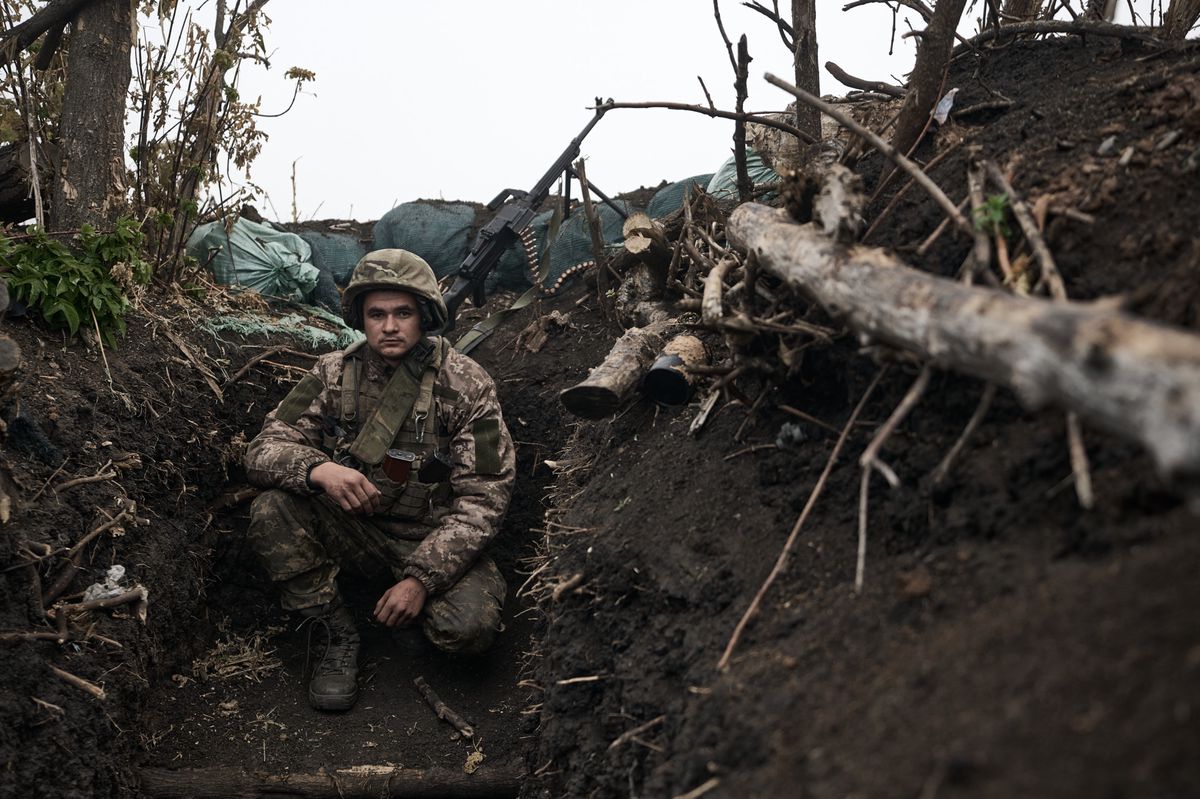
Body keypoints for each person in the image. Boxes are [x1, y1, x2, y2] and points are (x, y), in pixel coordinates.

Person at [243, 249, 515, 711]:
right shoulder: (332, 373)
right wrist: (317, 469)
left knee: (469, 630)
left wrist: (421, 580)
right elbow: (264, 447)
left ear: (424, 316)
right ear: (361, 319)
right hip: (354, 529)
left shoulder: (467, 385)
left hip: (431, 536)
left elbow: (485, 498)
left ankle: (406, 608)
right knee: (272, 508)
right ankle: (334, 631)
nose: (390, 326)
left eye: (403, 313)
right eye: (377, 314)